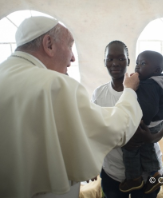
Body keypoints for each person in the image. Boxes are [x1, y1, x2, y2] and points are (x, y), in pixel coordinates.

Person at [0, 16, 143, 198]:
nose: (73, 57)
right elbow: (114, 128)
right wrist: (129, 90)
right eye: (69, 46)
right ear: (49, 44)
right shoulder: (56, 84)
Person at [91, 41, 163, 198]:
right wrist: (121, 141)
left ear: (128, 61)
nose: (115, 64)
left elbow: (161, 121)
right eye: (110, 58)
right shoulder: (99, 94)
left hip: (149, 175)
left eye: (121, 58)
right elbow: (94, 131)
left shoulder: (146, 87)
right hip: (113, 171)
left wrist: (151, 137)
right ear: (104, 61)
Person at [119, 50, 163, 193]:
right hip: (154, 124)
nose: (137, 66)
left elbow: (148, 108)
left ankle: (134, 178)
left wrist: (140, 123)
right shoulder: (157, 83)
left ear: (157, 70)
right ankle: (154, 174)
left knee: (131, 148)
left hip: (146, 123)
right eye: (137, 62)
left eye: (143, 63)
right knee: (147, 148)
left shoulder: (149, 84)